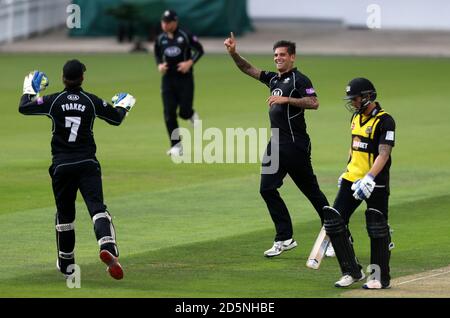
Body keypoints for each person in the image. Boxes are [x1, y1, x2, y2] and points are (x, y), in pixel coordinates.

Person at [18, 60, 137, 280]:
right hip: (87, 164)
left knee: (64, 217)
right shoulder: (91, 101)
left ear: (63, 78)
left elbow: (24, 107)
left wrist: (30, 89)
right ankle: (108, 247)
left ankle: (67, 264)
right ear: (82, 78)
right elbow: (116, 119)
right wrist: (124, 104)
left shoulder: (54, 101)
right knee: (97, 209)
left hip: (62, 166)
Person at [224, 33, 331, 257]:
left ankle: (336, 234)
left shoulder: (300, 80)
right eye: (275, 55)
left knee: (312, 193)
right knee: (267, 189)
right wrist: (234, 54)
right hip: (276, 145)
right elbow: (248, 69)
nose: (278, 58)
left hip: (295, 145)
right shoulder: (274, 80)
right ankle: (284, 238)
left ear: (292, 57)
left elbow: (314, 102)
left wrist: (287, 100)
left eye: (282, 55)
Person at [323, 77, 395, 289]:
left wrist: (370, 178)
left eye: (354, 98)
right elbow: (354, 147)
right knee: (335, 223)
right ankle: (351, 271)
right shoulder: (355, 118)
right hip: (352, 179)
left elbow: (384, 153)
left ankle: (380, 278)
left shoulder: (385, 120)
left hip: (375, 182)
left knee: (377, 226)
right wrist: (347, 170)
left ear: (367, 96)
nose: (352, 102)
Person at [154, 9, 204, 156]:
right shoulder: (160, 39)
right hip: (168, 79)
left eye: (168, 22)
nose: (165, 25)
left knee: (183, 112)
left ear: (175, 22)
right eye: (163, 22)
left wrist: (189, 62)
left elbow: (200, 50)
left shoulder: (185, 36)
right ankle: (176, 145)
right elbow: (157, 53)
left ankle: (191, 114)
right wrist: (159, 65)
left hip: (185, 78)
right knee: (169, 112)